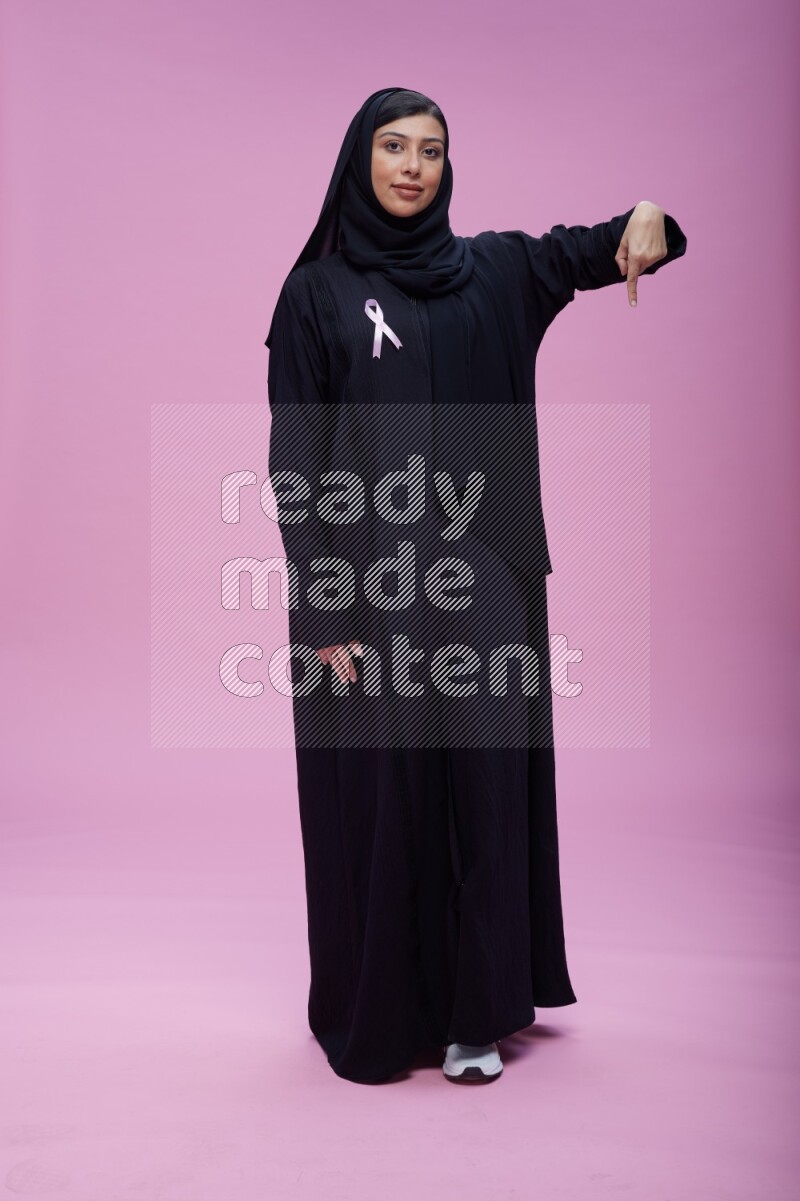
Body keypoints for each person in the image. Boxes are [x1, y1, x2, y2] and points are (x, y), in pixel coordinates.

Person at [264, 87, 687, 1085]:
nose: (412, 165)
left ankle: (474, 1014)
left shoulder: (493, 272)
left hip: (485, 583)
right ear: (357, 160)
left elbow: (611, 245)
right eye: (393, 146)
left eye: (431, 149)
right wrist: (324, 611)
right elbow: (297, 466)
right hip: (365, 594)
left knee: (482, 793)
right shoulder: (315, 296)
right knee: (380, 797)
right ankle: (382, 1011)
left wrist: (651, 225)